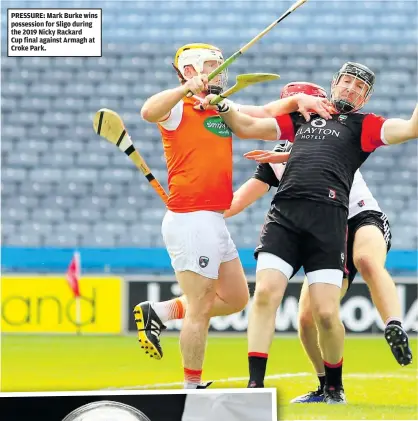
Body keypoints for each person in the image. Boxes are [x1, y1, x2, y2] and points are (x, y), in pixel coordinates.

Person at [200, 62, 418, 403]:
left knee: (362, 266)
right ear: (331, 85)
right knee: (298, 314)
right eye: (345, 81)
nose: (349, 89)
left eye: (358, 87)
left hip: (350, 218)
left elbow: (410, 128)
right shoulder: (289, 138)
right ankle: (302, 386)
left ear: (365, 97)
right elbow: (248, 125)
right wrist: (220, 103)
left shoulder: (361, 125)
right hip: (291, 217)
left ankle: (393, 323)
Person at [137, 43, 330, 389]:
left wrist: (298, 102)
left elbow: (263, 110)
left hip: (212, 218)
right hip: (191, 218)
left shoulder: (217, 109)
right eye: (212, 65)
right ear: (192, 70)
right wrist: (184, 88)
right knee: (200, 307)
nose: (221, 71)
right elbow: (148, 111)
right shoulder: (179, 109)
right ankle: (192, 386)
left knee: (237, 298)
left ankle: (162, 312)